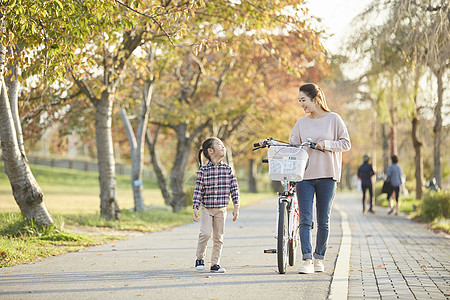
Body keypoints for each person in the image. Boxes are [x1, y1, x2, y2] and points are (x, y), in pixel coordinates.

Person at [284, 83, 351, 274]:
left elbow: (346, 143)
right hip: (304, 177)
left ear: (315, 99)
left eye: (303, 100)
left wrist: (326, 144)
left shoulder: (334, 119)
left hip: (327, 176)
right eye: (299, 101)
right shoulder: (300, 123)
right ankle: (307, 260)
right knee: (305, 219)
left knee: (324, 221)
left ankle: (319, 258)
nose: (301, 105)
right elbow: (292, 146)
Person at [192, 137, 240, 273]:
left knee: (219, 237)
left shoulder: (228, 170)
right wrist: (196, 207)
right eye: (220, 145)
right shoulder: (203, 171)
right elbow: (198, 190)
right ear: (211, 151)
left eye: (223, 145)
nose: (223, 147)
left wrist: (236, 206)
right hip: (207, 208)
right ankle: (199, 258)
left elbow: (234, 189)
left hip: (221, 209)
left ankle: (215, 264)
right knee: (205, 234)